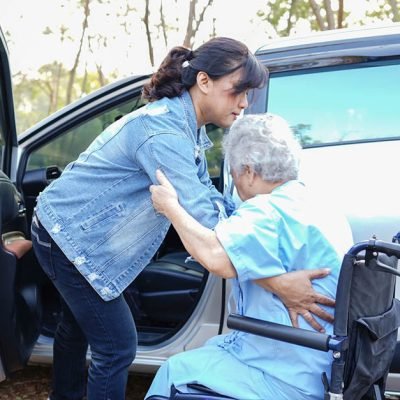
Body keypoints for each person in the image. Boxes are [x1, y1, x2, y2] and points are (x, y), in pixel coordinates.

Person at [31, 37, 333, 400]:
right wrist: (278, 280)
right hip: (67, 237)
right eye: (238, 90)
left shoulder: (188, 127)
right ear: (204, 81)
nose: (244, 103)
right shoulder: (163, 134)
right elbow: (203, 217)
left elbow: (209, 199)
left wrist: (251, 220)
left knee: (77, 327)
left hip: (86, 233)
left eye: (249, 93)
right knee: (117, 346)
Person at [147, 113, 354, 400]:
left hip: (286, 372)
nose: (235, 181)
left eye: (232, 172)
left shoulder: (265, 212)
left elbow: (215, 257)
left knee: (173, 372)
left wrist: (170, 207)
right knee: (210, 349)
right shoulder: (317, 203)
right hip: (323, 363)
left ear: (248, 171)